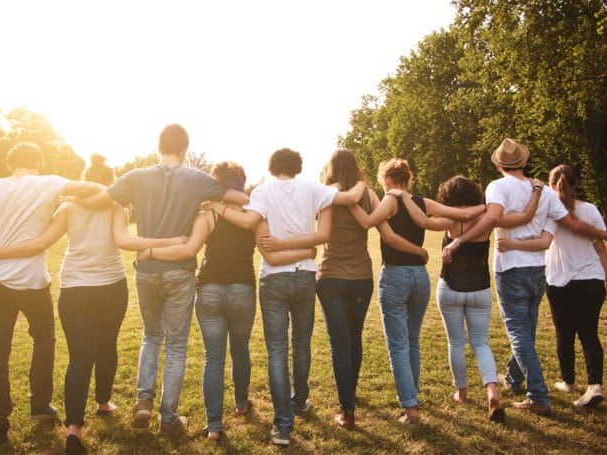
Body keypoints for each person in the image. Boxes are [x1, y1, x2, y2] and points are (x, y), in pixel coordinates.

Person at [0, 155, 183, 454]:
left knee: (79, 357)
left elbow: (40, 243)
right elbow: (123, 241)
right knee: (107, 345)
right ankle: (103, 402)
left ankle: (73, 427)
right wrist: (167, 242)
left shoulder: (68, 207)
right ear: (110, 182)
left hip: (74, 290)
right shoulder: (117, 206)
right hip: (111, 288)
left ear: (85, 180)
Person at [77, 125, 248, 435]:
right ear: (184, 149)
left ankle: (143, 401)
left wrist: (63, 191)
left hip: (146, 269)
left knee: (151, 336)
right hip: (180, 270)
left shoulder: (136, 177)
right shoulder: (196, 178)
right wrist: (214, 201)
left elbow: (97, 198)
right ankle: (168, 419)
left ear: (159, 147)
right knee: (178, 345)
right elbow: (242, 196)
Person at [138, 161, 316, 441]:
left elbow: (190, 249)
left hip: (208, 290)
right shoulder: (252, 215)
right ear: (241, 184)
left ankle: (214, 426)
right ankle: (242, 404)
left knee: (213, 358)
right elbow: (268, 247)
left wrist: (151, 252)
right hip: (242, 290)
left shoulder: (207, 215)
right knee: (241, 350)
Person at [442, 138, 607, 416]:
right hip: (538, 270)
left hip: (510, 268)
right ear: (523, 162)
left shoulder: (498, 186)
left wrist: (458, 241)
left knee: (519, 333)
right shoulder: (544, 191)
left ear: (499, 164)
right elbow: (571, 222)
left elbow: (491, 219)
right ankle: (513, 378)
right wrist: (604, 233)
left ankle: (538, 395)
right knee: (527, 330)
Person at [204, 147, 364, 446]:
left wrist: (219, 207)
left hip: (274, 279)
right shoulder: (315, 189)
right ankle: (300, 401)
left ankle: (282, 425)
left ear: (271, 167)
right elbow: (349, 200)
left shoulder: (262, 193)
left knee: (277, 350)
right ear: (298, 167)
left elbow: (252, 225)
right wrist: (360, 182)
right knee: (301, 343)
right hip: (304, 275)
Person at [0, 142, 105, 452]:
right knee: (44, 339)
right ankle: (40, 404)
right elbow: (95, 186)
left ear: (10, 163)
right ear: (38, 163)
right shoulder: (49, 183)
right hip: (32, 283)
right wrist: (72, 197)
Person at [347, 158, 483, 428]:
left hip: (396, 275)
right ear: (408, 180)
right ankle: (413, 395)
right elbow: (462, 214)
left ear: (386, 180)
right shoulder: (422, 202)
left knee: (398, 345)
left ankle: (410, 410)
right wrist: (486, 206)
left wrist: (352, 198)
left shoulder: (390, 199)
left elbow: (368, 223)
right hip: (420, 277)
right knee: (412, 341)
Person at [393, 174, 540, 422]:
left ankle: (461, 392)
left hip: (450, 288)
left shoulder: (449, 219)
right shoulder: (487, 219)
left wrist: (403, 195)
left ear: (447, 196)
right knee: (481, 343)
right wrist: (535, 192)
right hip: (480, 289)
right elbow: (525, 216)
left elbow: (421, 221)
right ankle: (492, 391)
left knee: (456, 343)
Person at [313, 149, 430, 430]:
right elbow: (386, 233)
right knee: (354, 338)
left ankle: (347, 410)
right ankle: (349, 395)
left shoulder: (326, 195)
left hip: (330, 277)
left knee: (340, 343)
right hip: (361, 277)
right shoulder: (371, 196)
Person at [497, 164, 607, 408]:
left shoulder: (548, 209)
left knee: (564, 332)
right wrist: (606, 277)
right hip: (591, 277)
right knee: (589, 333)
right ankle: (595, 386)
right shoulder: (590, 209)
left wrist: (513, 243)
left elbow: (539, 239)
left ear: (550, 185)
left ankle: (568, 381)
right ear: (576, 183)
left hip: (560, 280)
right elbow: (599, 246)